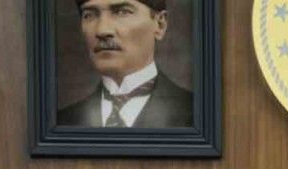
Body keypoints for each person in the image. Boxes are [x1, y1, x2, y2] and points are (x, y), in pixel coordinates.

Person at [58, 0, 193, 128]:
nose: (102, 30)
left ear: (160, 24)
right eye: (89, 15)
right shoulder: (62, 121)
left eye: (122, 12)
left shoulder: (196, 114)